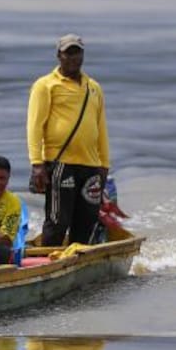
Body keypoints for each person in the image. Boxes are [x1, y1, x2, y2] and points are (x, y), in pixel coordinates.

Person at [26, 34, 110, 248]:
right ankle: (46, 262)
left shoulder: (93, 88)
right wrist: (37, 163)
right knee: (58, 220)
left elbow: (100, 128)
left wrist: (104, 165)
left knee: (87, 219)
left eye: (77, 52)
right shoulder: (45, 85)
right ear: (59, 55)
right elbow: (35, 125)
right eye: (68, 52)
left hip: (91, 165)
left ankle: (78, 263)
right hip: (61, 163)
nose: (73, 57)